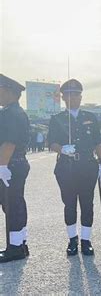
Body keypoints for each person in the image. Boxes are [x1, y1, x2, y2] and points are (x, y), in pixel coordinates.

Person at [47, 79, 101, 256]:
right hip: (66, 166)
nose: (73, 98)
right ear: (63, 98)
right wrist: (62, 149)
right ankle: (72, 239)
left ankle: (86, 240)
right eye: (69, 95)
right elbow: (51, 143)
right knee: (70, 204)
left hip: (88, 165)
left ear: (81, 97)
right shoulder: (57, 119)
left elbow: (98, 142)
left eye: (76, 94)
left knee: (88, 203)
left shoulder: (90, 117)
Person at [0, 74, 30, 263]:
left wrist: (2, 166)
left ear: (9, 92)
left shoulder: (9, 114)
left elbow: (8, 143)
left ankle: (15, 248)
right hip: (15, 164)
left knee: (11, 205)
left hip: (10, 165)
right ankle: (20, 243)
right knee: (15, 204)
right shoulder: (16, 112)